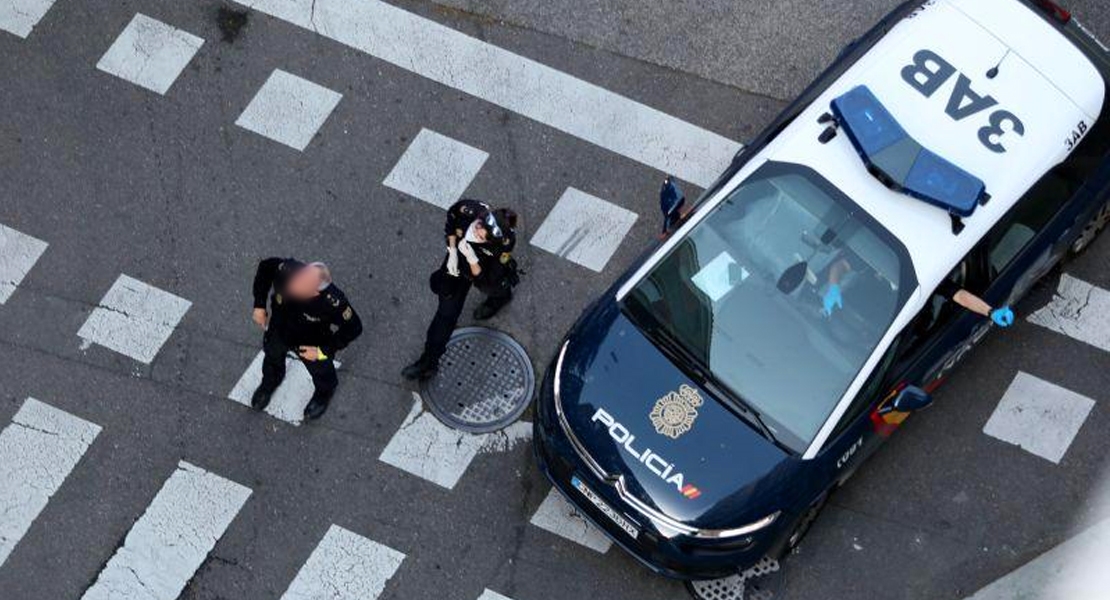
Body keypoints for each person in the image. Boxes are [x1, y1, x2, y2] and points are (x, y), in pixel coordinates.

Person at [402, 199, 519, 381]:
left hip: (481, 270)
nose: (476, 233)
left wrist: (472, 259)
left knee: (496, 288)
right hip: (457, 264)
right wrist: (453, 252)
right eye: (478, 226)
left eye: (482, 237)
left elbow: (487, 279)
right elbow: (451, 223)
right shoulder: (467, 211)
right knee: (445, 315)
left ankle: (500, 298)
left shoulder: (503, 244)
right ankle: (429, 361)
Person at [250, 259, 363, 420]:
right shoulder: (288, 270)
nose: (293, 283)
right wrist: (259, 305)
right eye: (300, 276)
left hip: (311, 343)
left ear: (316, 291)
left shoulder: (332, 303)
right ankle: (270, 382)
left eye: (302, 284)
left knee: (322, 371)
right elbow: (265, 268)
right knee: (272, 357)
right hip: (279, 329)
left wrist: (322, 351)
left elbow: (354, 328)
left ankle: (324, 394)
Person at [822, 258, 1014, 327]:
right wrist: (833, 286)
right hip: (872, 314)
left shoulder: (924, 275)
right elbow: (841, 265)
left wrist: (990, 312)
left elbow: (960, 296)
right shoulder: (878, 257)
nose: (880, 274)